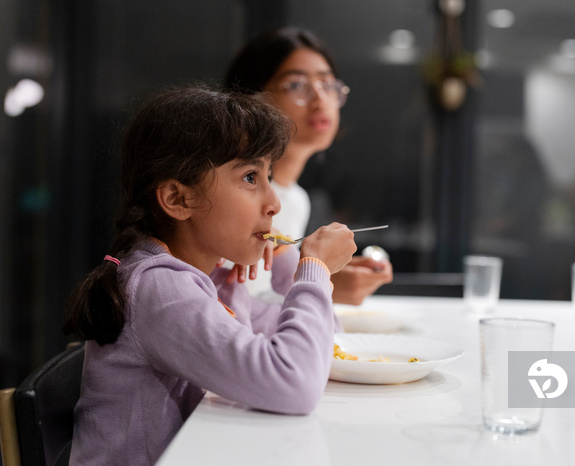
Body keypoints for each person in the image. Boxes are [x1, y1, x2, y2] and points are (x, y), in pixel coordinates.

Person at [62, 85, 357, 465]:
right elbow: (295, 385)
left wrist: (286, 258)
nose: (274, 202)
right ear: (178, 199)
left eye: (269, 175)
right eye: (251, 177)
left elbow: (327, 345)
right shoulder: (160, 289)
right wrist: (312, 269)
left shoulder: (205, 279)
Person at [222, 26, 392, 305]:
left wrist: (324, 279)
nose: (320, 99)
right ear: (249, 98)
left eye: (327, 84)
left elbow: (267, 293)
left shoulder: (297, 200)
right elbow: (224, 304)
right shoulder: (232, 194)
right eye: (296, 85)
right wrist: (324, 286)